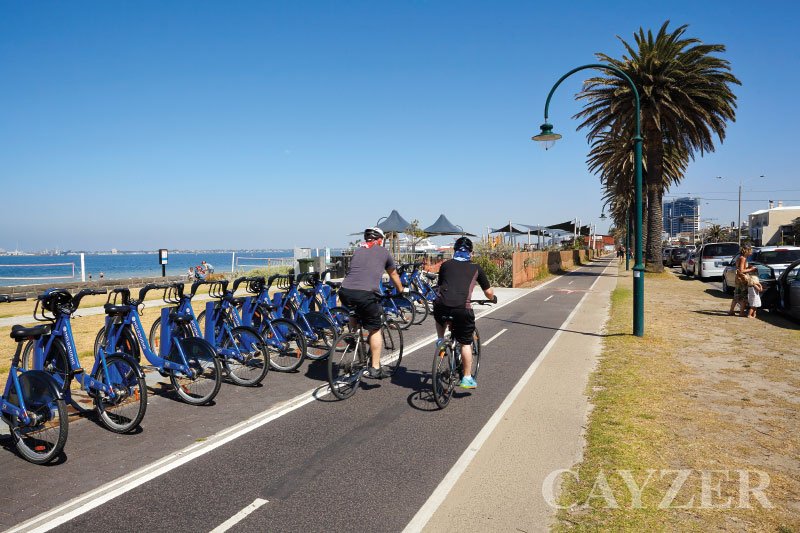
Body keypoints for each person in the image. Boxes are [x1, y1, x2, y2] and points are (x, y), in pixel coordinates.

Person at [338, 227, 405, 379]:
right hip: (365, 294)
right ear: (380, 240)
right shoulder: (384, 252)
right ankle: (375, 367)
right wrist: (401, 290)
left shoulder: (358, 251)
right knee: (375, 329)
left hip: (345, 291)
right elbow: (393, 273)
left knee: (355, 310)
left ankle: (353, 335)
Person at [433, 237, 496, 389]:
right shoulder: (476, 268)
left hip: (441, 306)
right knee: (466, 343)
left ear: (454, 251)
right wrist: (492, 298)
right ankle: (467, 378)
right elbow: (488, 292)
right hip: (462, 308)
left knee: (440, 313)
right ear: (471, 253)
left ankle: (441, 340)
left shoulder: (445, 265)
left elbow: (440, 286)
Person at [729, 244, 756, 316]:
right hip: (742, 279)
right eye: (750, 251)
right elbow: (741, 270)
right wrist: (751, 269)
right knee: (743, 296)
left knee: (736, 296)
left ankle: (731, 311)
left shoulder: (740, 257)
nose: (751, 252)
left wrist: (747, 267)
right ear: (747, 251)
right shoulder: (743, 258)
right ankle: (741, 312)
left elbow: (740, 268)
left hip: (738, 278)